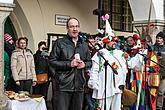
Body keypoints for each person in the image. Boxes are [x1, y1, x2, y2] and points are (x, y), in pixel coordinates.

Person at [49, 17, 92, 110]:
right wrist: (69, 64)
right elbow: (52, 61)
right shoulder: (60, 43)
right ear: (67, 28)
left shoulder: (84, 44)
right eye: (72, 26)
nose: (75, 29)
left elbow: (90, 62)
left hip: (79, 85)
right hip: (63, 85)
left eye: (77, 26)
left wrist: (84, 64)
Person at [88, 36, 130, 110]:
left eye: (115, 41)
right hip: (104, 87)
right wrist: (94, 83)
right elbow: (94, 70)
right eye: (112, 41)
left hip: (118, 87)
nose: (115, 43)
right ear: (106, 42)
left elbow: (130, 64)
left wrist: (139, 58)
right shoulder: (100, 53)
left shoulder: (120, 53)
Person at [152, 31, 165, 109]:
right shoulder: (152, 48)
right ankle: (152, 106)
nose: (158, 39)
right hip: (153, 73)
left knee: (160, 92)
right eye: (157, 38)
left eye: (160, 38)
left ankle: (159, 108)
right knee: (152, 92)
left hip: (163, 74)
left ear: (163, 40)